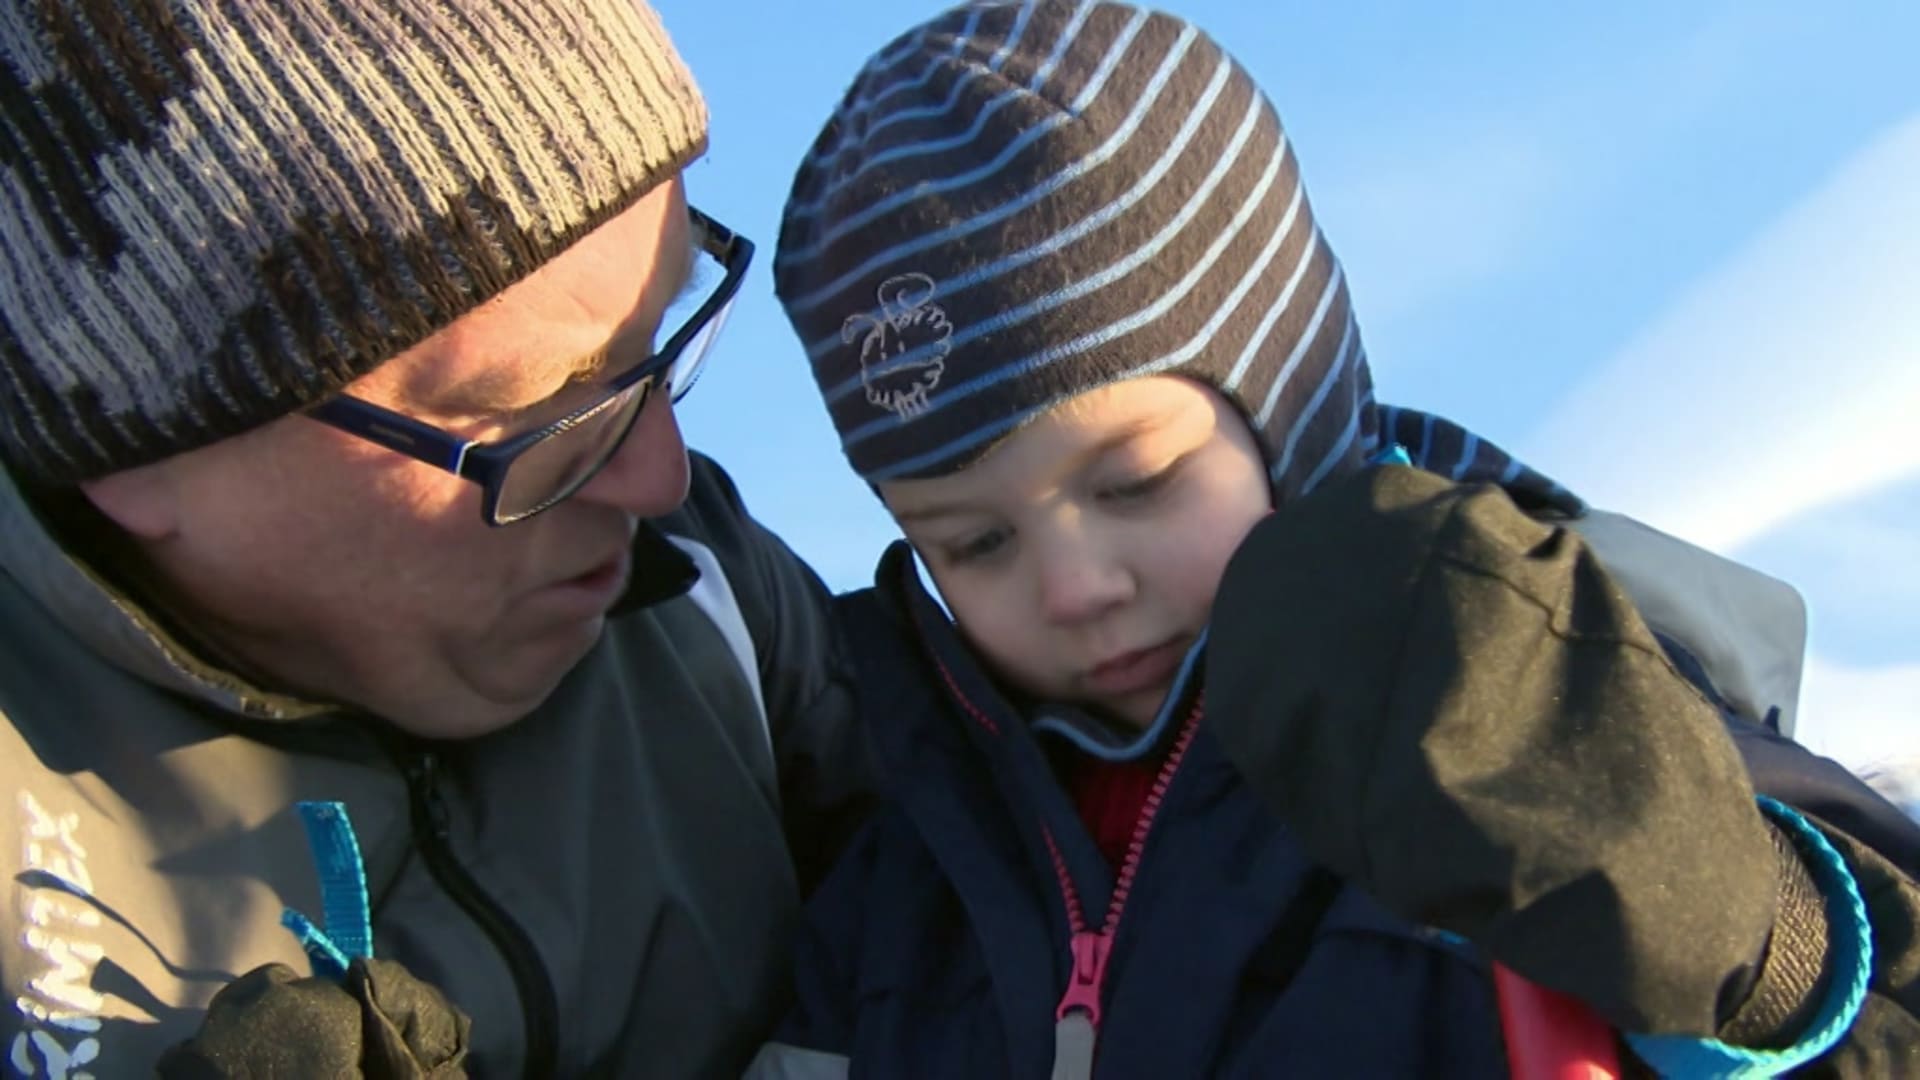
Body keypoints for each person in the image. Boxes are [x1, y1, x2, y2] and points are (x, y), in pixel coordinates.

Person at [754, 1, 1920, 1075]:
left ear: (1288, 409)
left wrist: (1747, 935)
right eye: (976, 545)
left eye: (1137, 483)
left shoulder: (1525, 691)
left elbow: (1892, 1007)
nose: (1073, 587)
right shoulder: (900, 877)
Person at [0, 1, 872, 1076]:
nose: (661, 479)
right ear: (140, 448)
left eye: (655, 340)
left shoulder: (710, 595)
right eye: (531, 407)